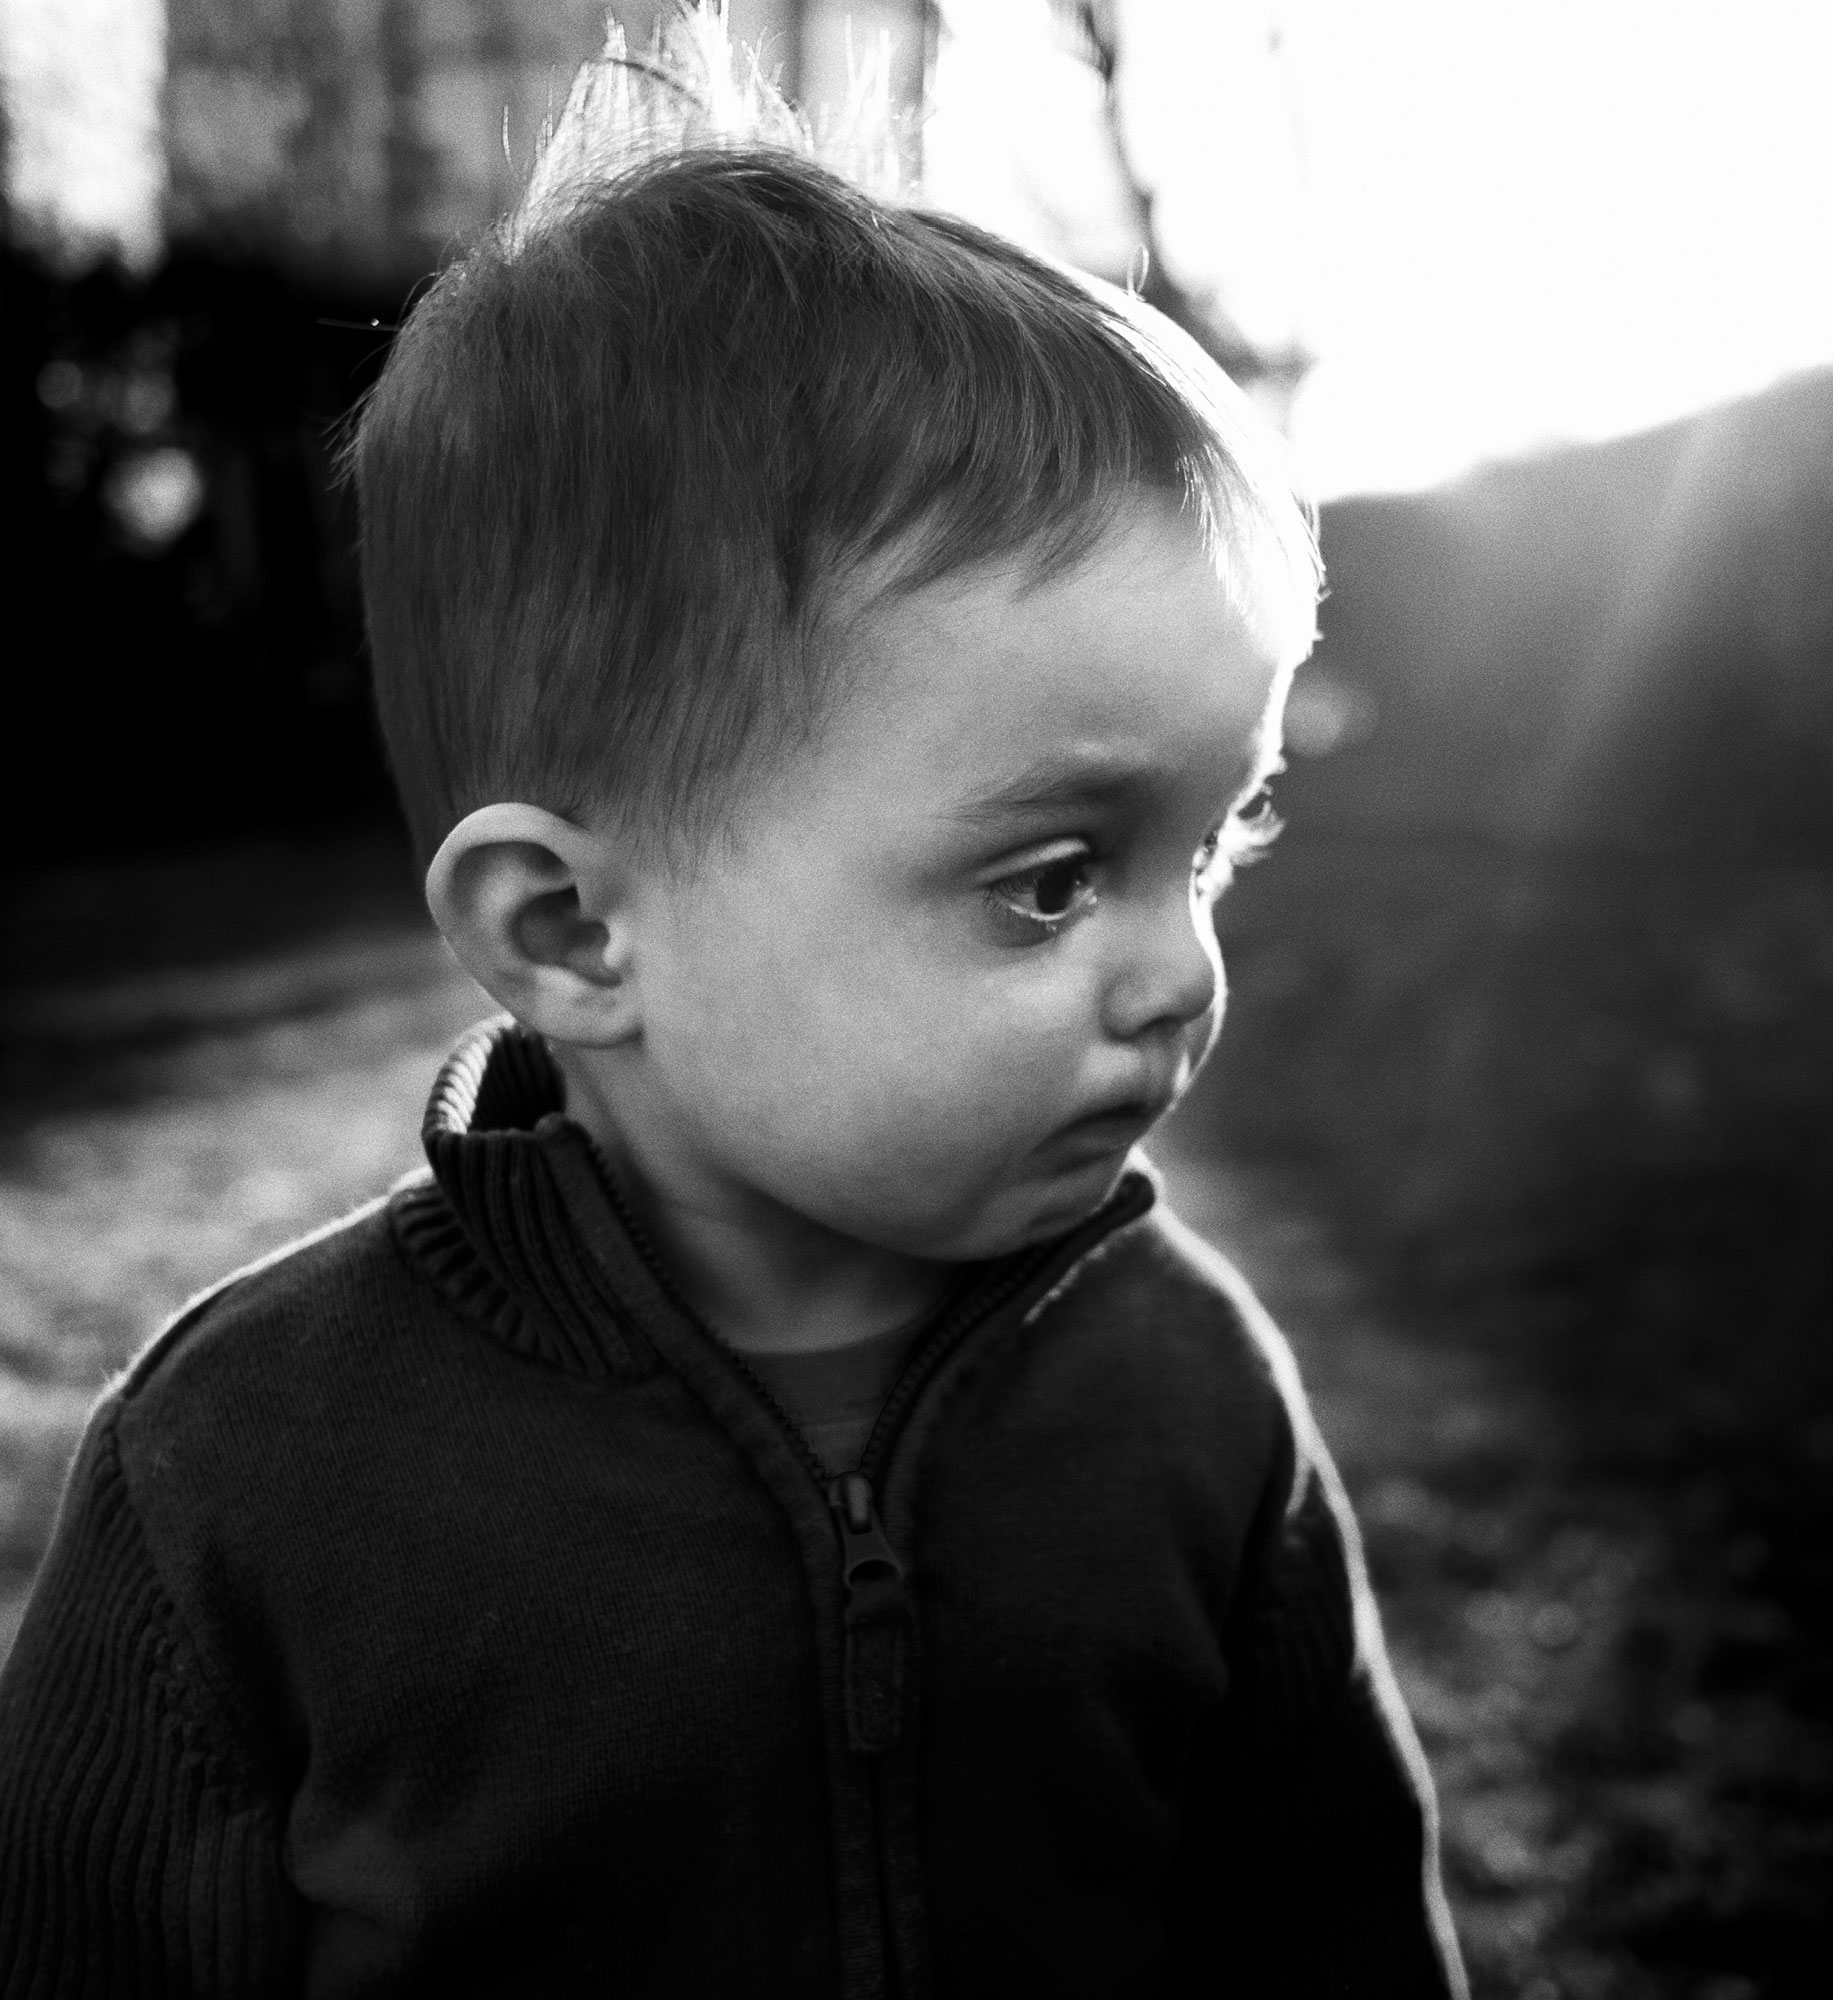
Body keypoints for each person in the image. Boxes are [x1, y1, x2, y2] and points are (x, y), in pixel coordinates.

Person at [0, 12, 1464, 1995]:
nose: (1180, 971)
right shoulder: (251, 1473)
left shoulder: (1186, 1397)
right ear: (572, 930)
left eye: (1207, 849)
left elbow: (1332, 1929)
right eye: (1047, 882)